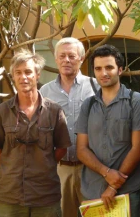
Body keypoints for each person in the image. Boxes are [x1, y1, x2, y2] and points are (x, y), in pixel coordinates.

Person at [0, 49, 71, 217]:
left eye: (28, 72)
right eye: (18, 73)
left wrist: (44, 165)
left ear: (37, 75)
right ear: (13, 77)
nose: (23, 77)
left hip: (46, 196)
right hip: (10, 196)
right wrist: (10, 166)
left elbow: (61, 148)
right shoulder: (1, 112)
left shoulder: (54, 111)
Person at [76, 44, 140, 216]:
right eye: (98, 68)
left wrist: (113, 186)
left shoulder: (136, 101)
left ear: (120, 70)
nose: (104, 73)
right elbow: (81, 149)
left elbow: (138, 148)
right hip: (92, 191)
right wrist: (106, 172)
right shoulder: (88, 105)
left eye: (109, 67)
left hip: (127, 191)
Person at [40, 37, 98, 217]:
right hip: (60, 169)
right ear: (56, 59)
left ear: (81, 59)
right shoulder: (44, 92)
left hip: (91, 169)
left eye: (72, 56)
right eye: (62, 56)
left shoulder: (95, 87)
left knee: (95, 213)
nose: (67, 60)